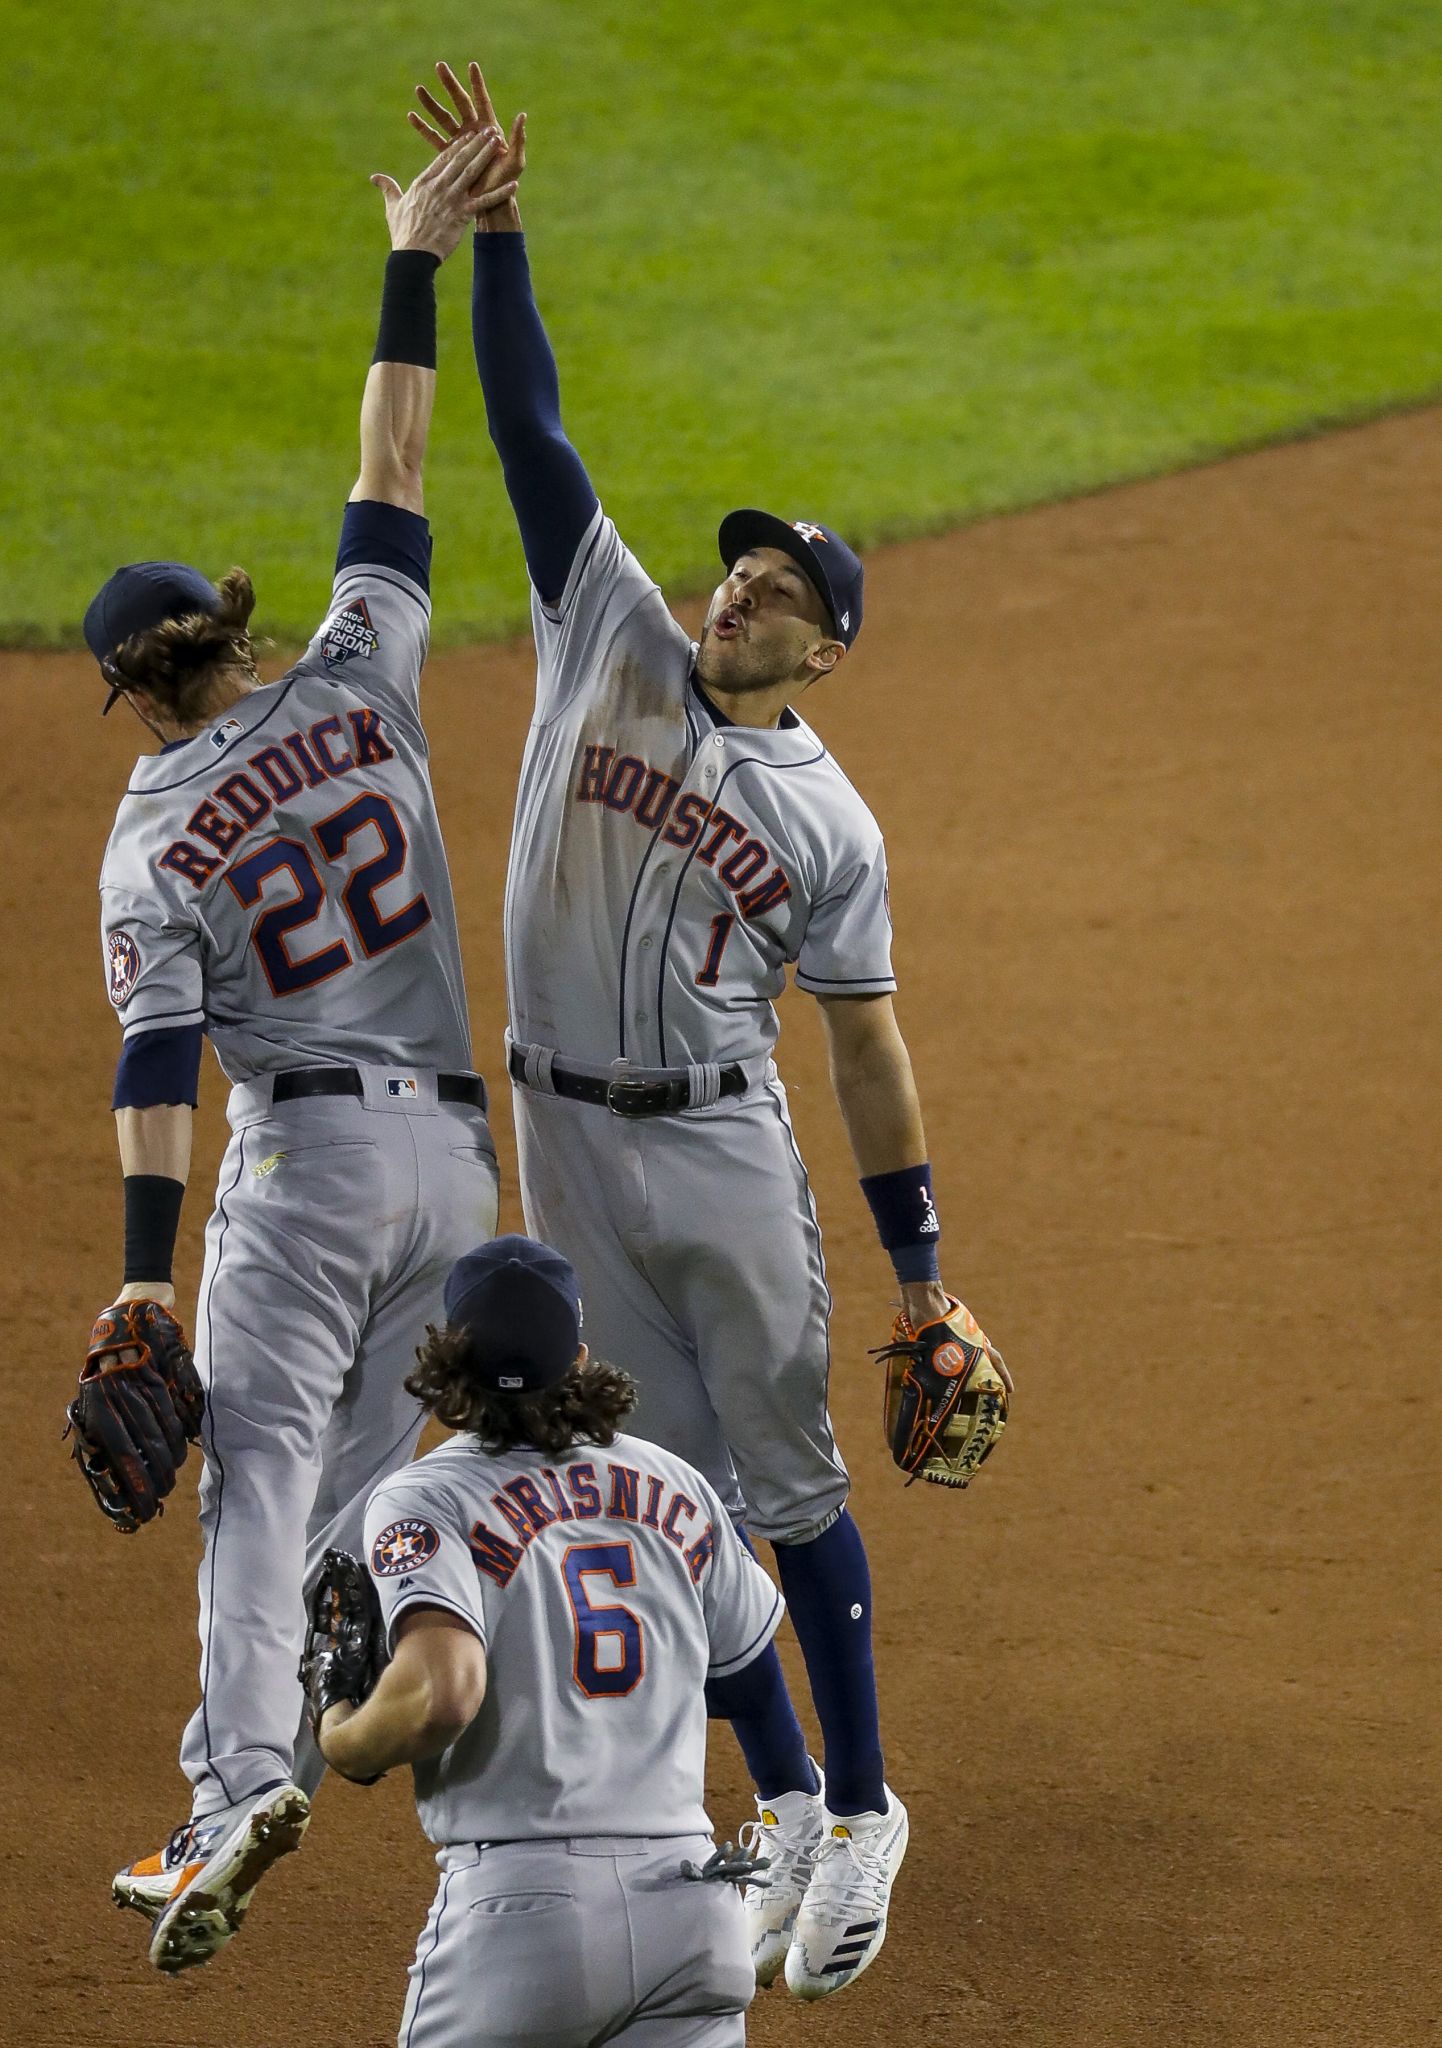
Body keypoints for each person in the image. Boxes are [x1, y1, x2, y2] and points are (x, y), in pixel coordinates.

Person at [403, 61, 1009, 1998]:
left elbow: (866, 1053)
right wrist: (499, 236)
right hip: (561, 1136)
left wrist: (921, 1269)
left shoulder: (830, 822)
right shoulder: (607, 632)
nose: (744, 579)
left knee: (785, 1475)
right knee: (651, 1474)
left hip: (719, 1148)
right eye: (743, 558)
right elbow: (527, 425)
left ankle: (863, 1810)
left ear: (820, 648)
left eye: (784, 585)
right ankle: (769, 1796)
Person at [89, 127, 517, 1973]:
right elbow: (396, 454)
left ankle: (233, 1787)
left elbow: (157, 1073)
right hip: (456, 1159)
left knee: (254, 1481)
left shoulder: (150, 832)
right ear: (231, 633)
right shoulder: (357, 660)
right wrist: (416, 251)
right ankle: (375, 1654)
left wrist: (132, 1287)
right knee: (351, 1480)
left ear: (133, 686)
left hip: (308, 1165)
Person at [313, 1233, 779, 2048]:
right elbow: (745, 1674)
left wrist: (346, 1737)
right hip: (694, 1906)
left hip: (524, 1919)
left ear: (447, 1360)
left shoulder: (427, 1498)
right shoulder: (677, 1483)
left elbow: (442, 1694)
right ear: (581, 1357)